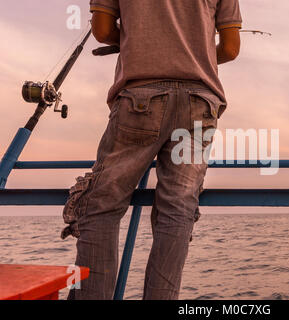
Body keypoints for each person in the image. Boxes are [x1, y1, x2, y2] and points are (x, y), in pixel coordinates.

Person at [61, 0, 242, 300]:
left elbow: (103, 29)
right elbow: (231, 48)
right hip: (200, 104)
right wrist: (192, 52)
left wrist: (140, 42)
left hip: (139, 99)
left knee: (100, 207)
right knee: (178, 210)